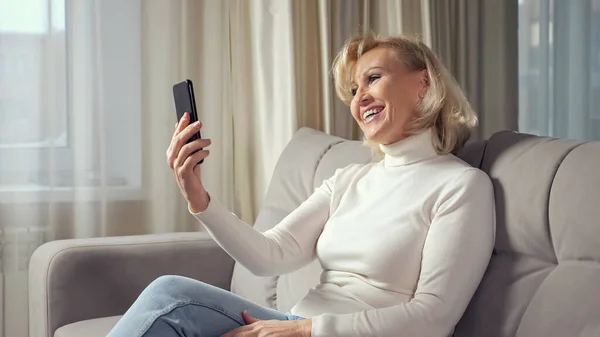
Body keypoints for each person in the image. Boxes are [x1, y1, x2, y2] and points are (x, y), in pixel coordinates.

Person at [107, 32, 495, 337]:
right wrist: (198, 196)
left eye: (373, 79)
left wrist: (306, 329)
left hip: (313, 330)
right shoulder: (349, 180)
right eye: (353, 91)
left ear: (423, 84)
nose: (360, 99)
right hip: (294, 325)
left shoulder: (461, 187)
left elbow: (433, 319)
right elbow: (270, 254)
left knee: (170, 298)